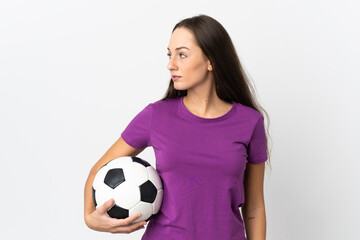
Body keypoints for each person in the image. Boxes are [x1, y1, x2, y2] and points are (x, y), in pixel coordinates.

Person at [84, 14, 271, 240]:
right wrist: (89, 217)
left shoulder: (250, 122)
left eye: (182, 55)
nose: (170, 64)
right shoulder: (156, 115)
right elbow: (100, 169)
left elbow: (254, 208)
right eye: (170, 54)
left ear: (211, 60)